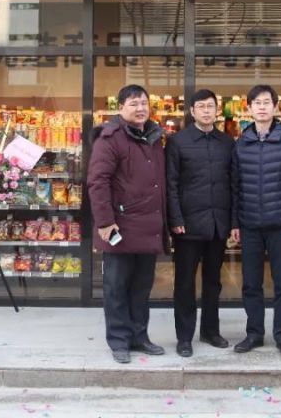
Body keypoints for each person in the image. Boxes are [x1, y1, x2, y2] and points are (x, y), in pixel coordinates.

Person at [88, 84, 168, 364]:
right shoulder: (110, 138)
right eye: (134, 104)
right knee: (117, 287)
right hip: (119, 226)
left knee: (141, 287)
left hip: (147, 226)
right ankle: (119, 340)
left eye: (144, 103)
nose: (140, 108)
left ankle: (139, 337)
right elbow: (98, 182)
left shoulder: (154, 136)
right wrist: (105, 222)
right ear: (120, 108)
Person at [230, 84, 281, 359]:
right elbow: (235, 186)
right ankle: (254, 333)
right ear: (249, 108)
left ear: (276, 107)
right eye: (257, 103)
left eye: (266, 102)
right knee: (251, 284)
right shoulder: (242, 143)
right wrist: (235, 223)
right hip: (250, 224)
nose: (262, 107)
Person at [166, 88, 234, 357]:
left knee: (213, 282)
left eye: (211, 106)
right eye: (201, 107)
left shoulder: (227, 142)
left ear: (217, 110)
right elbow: (171, 184)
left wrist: (232, 221)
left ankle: (210, 330)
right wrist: (175, 218)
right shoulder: (177, 142)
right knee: (184, 283)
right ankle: (184, 337)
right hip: (187, 226)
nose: (207, 111)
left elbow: (234, 183)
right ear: (192, 111)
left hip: (217, 223)